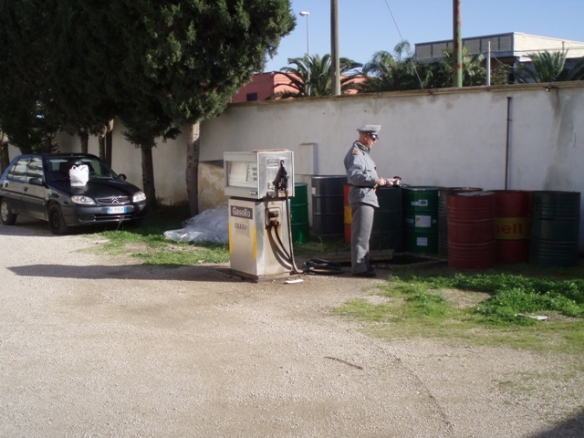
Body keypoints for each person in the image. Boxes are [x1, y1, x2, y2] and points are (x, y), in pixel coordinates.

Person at [343, 124, 399, 277]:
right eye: (374, 137)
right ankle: (359, 268)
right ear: (366, 136)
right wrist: (376, 180)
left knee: (364, 235)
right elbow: (355, 177)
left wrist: (386, 181)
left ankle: (364, 265)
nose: (375, 140)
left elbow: (368, 177)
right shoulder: (356, 154)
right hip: (362, 197)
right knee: (360, 235)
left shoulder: (364, 154)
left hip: (367, 196)